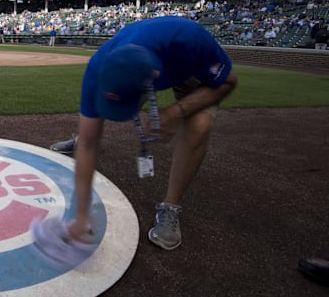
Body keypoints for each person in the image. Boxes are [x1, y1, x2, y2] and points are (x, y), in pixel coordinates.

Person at [50, 16, 238, 251]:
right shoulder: (98, 69)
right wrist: (80, 216)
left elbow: (228, 82)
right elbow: (89, 146)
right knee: (89, 133)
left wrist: (178, 111)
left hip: (189, 68)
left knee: (200, 126)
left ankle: (171, 206)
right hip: (144, 66)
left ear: (152, 84)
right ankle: (80, 133)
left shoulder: (191, 42)